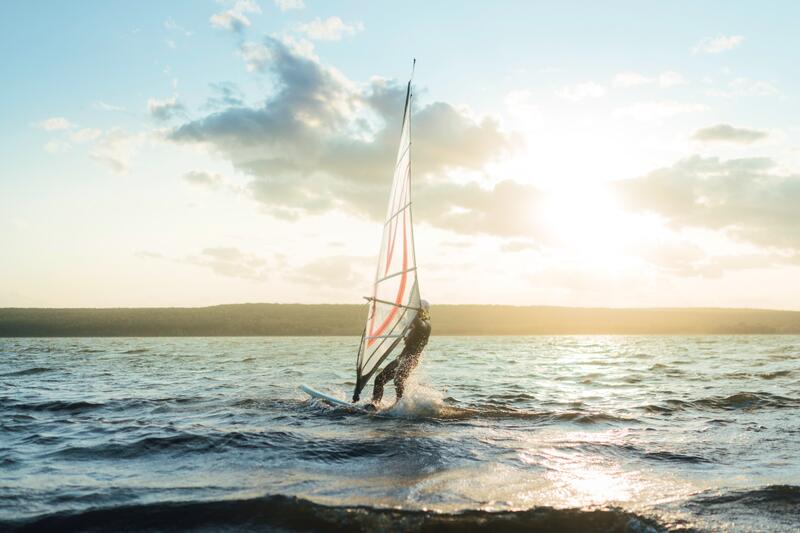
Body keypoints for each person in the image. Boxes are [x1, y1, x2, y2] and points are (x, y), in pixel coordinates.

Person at [367, 300, 431, 410]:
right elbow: (401, 320)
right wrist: (378, 308)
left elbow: (415, 321)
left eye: (416, 310)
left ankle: (400, 406)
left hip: (411, 360)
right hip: (402, 358)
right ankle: (374, 405)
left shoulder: (425, 325)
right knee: (379, 379)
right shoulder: (416, 325)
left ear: (422, 311)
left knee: (398, 380)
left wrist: (413, 310)